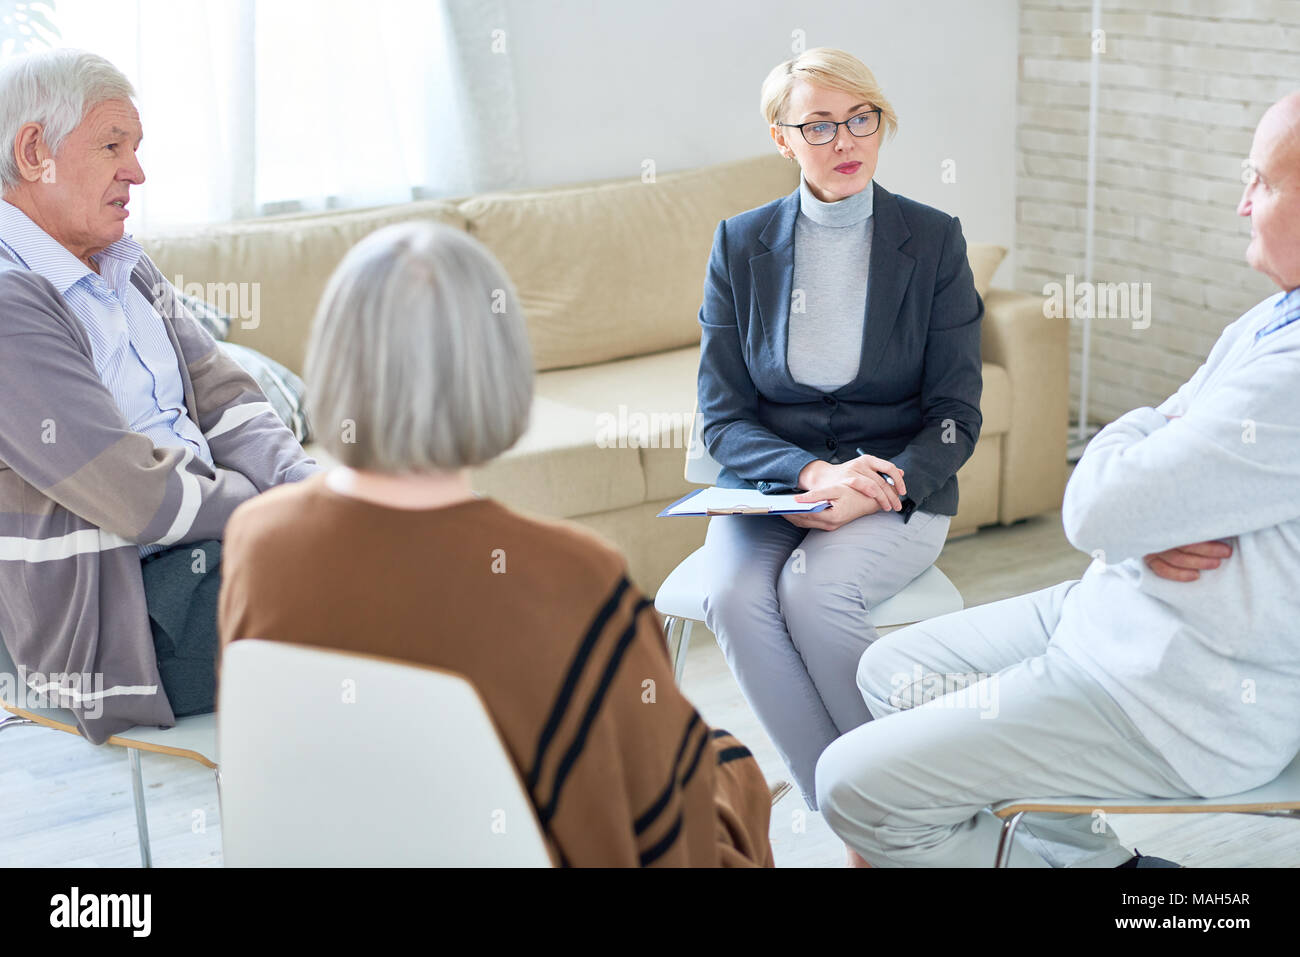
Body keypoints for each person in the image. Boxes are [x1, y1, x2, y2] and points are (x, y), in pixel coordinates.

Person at [815, 92, 1300, 868]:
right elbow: (1128, 502)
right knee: (892, 670)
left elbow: (1097, 506)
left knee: (849, 785)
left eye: (1263, 184)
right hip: (1118, 608)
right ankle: (1095, 864)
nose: (1242, 204)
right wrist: (1146, 519)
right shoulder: (1272, 317)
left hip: (1180, 695)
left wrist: (1142, 494)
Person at [217, 222, 774, 867]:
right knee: (728, 766)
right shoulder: (574, 578)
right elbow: (651, 835)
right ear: (498, 368)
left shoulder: (257, 543)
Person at [0, 49, 317, 744]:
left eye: (136, 148)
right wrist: (284, 512)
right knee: (397, 591)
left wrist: (306, 484)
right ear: (33, 151)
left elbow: (228, 397)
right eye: (113, 145)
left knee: (417, 560)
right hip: (126, 613)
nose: (136, 171)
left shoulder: (127, 262)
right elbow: (134, 496)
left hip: (208, 555)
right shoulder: (10, 298)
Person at [695, 47, 983, 808]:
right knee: (732, 595)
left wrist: (879, 485)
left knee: (814, 594)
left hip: (893, 488)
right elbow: (723, 417)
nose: (846, 141)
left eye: (861, 119)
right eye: (818, 126)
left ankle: (894, 801)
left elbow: (955, 417)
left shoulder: (934, 240)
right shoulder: (739, 243)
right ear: (781, 139)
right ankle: (867, 815)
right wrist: (814, 476)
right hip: (773, 488)